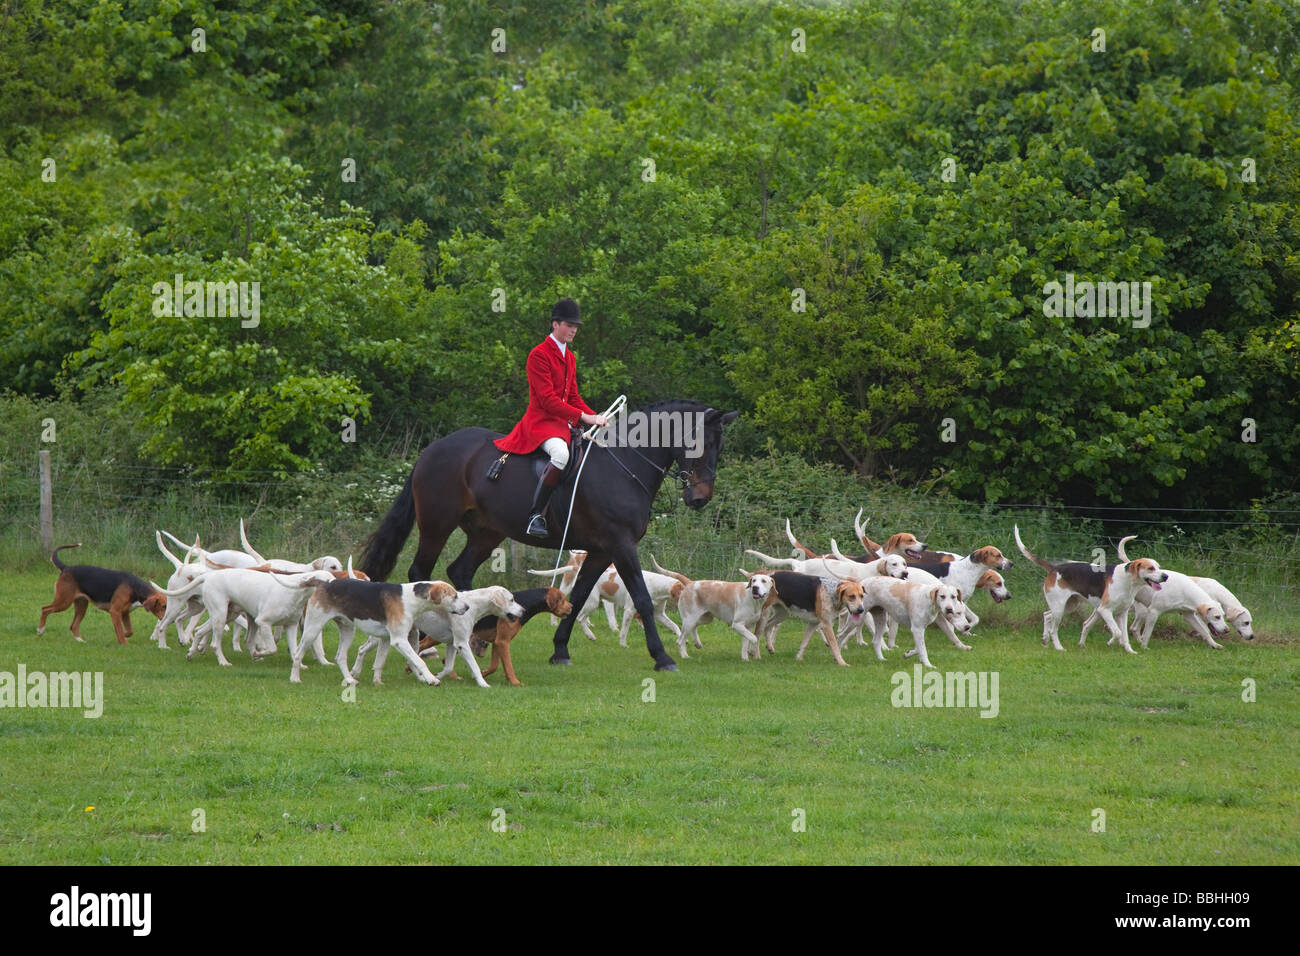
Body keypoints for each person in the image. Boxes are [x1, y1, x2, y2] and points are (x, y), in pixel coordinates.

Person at [495, 298, 608, 537]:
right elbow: (547, 400)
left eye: (576, 326)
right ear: (555, 324)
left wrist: (594, 416)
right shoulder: (538, 355)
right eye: (569, 324)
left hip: (562, 423)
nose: (574, 329)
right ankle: (536, 515)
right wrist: (583, 417)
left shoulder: (571, 357)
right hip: (540, 423)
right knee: (561, 454)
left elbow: (573, 397)